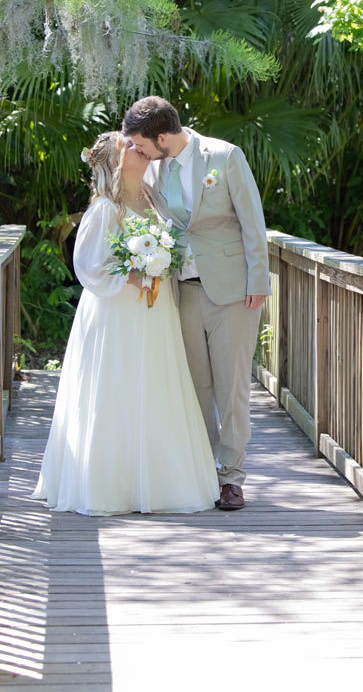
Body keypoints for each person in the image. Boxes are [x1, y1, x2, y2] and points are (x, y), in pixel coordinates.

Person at [32, 131, 220, 515]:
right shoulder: (105, 208)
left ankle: (159, 482)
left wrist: (159, 264)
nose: (140, 148)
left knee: (156, 384)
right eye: (130, 146)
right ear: (118, 161)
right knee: (117, 385)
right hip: (116, 313)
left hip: (156, 311)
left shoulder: (151, 198)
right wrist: (133, 275)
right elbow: (87, 266)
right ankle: (113, 486)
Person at [122, 97, 270, 510]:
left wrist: (258, 280)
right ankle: (204, 469)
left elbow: (252, 221)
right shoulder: (152, 168)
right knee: (195, 386)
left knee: (232, 386)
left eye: (141, 144)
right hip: (181, 290)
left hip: (233, 290)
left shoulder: (224, 157)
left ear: (163, 136)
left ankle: (232, 477)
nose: (138, 151)